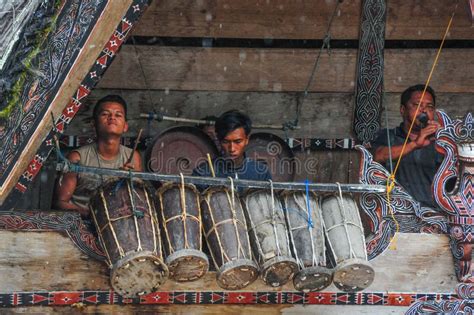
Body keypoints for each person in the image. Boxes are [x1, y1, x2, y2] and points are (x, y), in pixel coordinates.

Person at [54, 95, 142, 217]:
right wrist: (94, 215)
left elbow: (136, 201)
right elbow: (60, 203)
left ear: (125, 126)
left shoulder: (132, 157)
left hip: (116, 223)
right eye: (105, 114)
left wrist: (125, 182)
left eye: (118, 115)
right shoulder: (77, 158)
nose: (112, 118)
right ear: (94, 124)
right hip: (81, 222)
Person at [371, 84, 443, 208]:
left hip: (433, 214)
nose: (424, 110)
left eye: (429, 107)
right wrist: (414, 144)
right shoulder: (389, 136)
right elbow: (378, 155)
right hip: (396, 211)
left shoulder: (440, 141)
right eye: (417, 105)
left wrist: (447, 139)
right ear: (403, 110)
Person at [192, 110, 271, 184]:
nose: (232, 149)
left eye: (238, 142)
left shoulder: (261, 174)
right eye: (226, 142)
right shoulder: (202, 173)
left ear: (247, 139)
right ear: (219, 140)